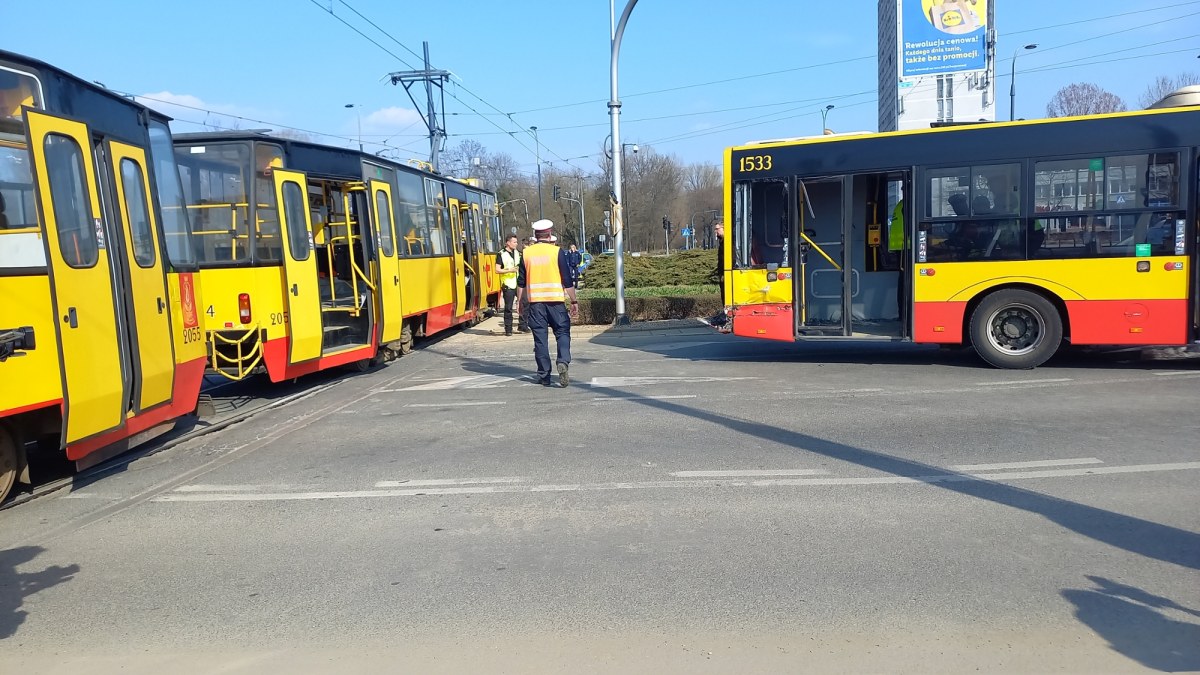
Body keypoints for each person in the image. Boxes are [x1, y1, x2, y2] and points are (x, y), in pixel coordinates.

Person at [517, 219, 579, 387]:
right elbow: (567, 279)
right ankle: (563, 361)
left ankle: (544, 375)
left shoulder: (526, 253)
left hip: (536, 304)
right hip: (556, 302)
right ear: (550, 234)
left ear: (535, 235)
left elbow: (521, 281)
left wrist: (520, 302)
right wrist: (573, 300)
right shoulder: (556, 252)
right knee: (563, 332)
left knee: (540, 340)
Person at [495, 234, 526, 336]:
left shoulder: (517, 253)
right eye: (514, 242)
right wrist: (509, 270)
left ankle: (523, 325)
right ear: (508, 243)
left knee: (524, 303)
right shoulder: (501, 254)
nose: (516, 244)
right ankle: (508, 329)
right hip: (508, 284)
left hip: (518, 282)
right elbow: (497, 270)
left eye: (516, 242)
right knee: (508, 307)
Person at [705, 219, 728, 327]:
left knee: (726, 294)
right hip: (723, 273)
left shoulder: (727, 242)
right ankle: (726, 314)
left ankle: (727, 316)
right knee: (724, 294)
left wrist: (724, 273)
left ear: (724, 229)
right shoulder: (723, 241)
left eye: (717, 229)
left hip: (726, 274)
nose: (716, 231)